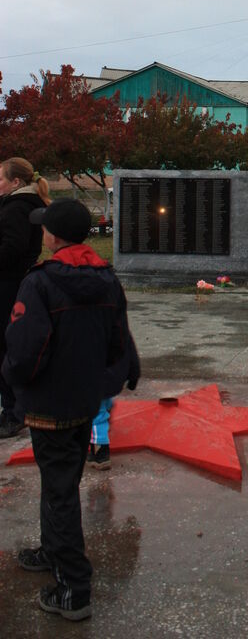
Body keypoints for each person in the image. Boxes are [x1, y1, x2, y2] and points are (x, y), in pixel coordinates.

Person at [3, 199, 139, 621]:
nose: (41, 234)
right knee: (60, 481)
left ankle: (74, 588)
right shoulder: (106, 279)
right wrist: (109, 380)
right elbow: (119, 339)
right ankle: (50, 549)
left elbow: (25, 349)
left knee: (60, 491)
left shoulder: (39, 283)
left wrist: (12, 377)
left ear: (54, 236)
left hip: (49, 405)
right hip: (84, 401)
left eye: (44, 229)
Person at [0, 157, 51, 439]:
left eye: (0, 179)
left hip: (8, 285)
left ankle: (13, 412)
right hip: (15, 282)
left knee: (7, 348)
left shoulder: (16, 208)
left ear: (16, 182)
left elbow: (13, 248)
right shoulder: (19, 205)